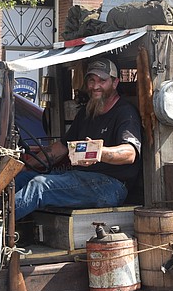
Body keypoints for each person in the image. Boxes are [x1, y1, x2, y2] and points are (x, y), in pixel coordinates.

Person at [14, 57, 142, 218]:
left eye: (102, 81)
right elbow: (61, 147)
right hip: (81, 178)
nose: (95, 86)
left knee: (39, 186)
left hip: (111, 186)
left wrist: (98, 152)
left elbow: (130, 154)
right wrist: (26, 166)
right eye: (91, 80)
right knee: (21, 178)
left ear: (115, 83)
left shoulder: (125, 112)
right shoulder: (87, 112)